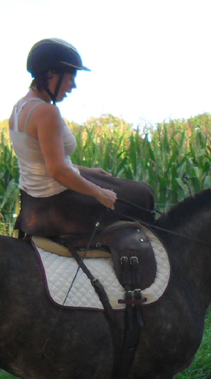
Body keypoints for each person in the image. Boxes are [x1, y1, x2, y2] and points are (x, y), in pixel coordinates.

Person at [9, 38, 155, 238]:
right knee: (143, 195)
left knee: (131, 191)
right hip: (57, 202)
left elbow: (41, 160)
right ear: (52, 74)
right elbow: (57, 171)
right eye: (71, 77)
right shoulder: (46, 112)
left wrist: (86, 171)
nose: (73, 86)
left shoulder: (20, 107)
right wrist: (99, 193)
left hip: (35, 202)